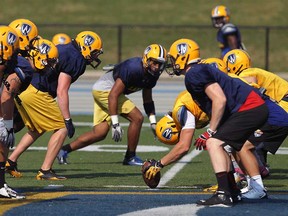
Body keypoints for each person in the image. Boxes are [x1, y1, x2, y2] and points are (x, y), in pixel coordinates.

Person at [161, 38, 268, 207]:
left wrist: (210, 131)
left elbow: (219, 99)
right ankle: (231, 191)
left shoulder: (194, 73)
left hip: (249, 107)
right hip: (250, 107)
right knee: (223, 145)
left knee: (213, 143)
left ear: (183, 56)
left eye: (174, 59)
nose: (172, 63)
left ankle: (224, 195)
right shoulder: (199, 70)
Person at [6, 31, 103, 180]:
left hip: (26, 89)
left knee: (37, 128)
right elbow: (62, 90)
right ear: (86, 47)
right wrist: (68, 119)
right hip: (37, 91)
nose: (96, 56)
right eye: (95, 52)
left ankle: (10, 161)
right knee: (61, 128)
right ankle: (45, 170)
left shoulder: (66, 49)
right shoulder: (76, 59)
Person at [57, 44, 167, 166]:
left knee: (100, 132)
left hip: (105, 90)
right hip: (105, 90)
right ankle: (130, 156)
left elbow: (147, 99)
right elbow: (113, 95)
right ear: (147, 59)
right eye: (154, 62)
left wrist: (153, 122)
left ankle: (63, 150)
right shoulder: (134, 68)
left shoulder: (152, 76)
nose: (157, 67)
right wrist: (115, 123)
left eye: (160, 64)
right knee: (137, 118)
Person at [223, 49, 288, 183]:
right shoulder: (252, 70)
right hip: (282, 101)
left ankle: (251, 171)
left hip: (283, 104)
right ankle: (259, 167)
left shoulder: (247, 74)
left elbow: (251, 82)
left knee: (252, 134)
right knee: (256, 135)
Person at [0, 25, 34, 199]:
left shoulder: (15, 64)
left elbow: (6, 94)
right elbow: (6, 95)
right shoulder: (19, 65)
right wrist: (7, 125)